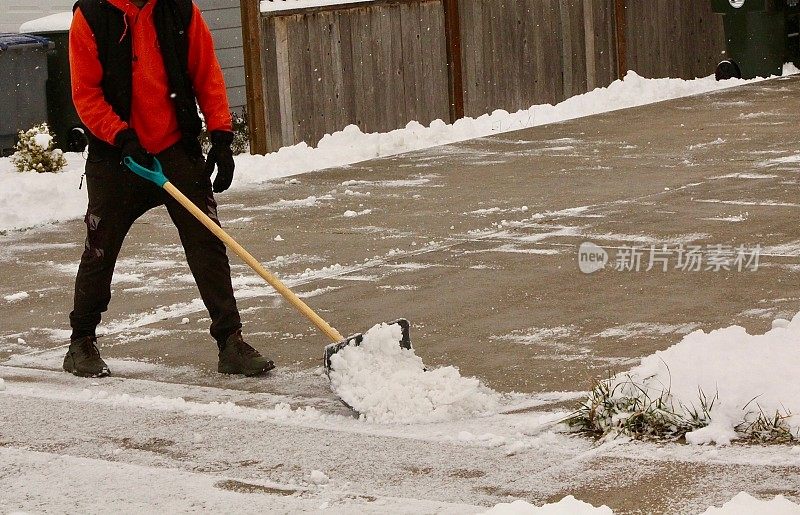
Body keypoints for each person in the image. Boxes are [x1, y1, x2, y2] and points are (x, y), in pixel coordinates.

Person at [64, 0, 274, 378]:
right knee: (100, 248)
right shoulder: (92, 15)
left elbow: (205, 71)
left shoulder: (179, 9)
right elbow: (86, 94)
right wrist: (121, 135)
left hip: (175, 150)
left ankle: (231, 342)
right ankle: (81, 342)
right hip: (118, 157)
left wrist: (222, 135)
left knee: (208, 242)